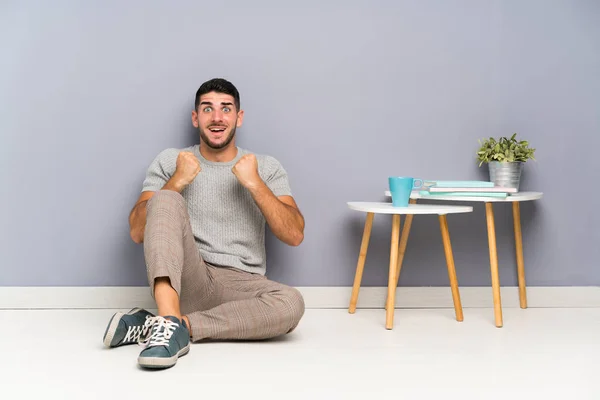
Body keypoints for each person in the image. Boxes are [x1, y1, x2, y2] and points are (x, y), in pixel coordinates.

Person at [102, 78, 306, 369]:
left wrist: (255, 183)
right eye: (208, 109)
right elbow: (137, 230)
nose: (218, 117)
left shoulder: (266, 166)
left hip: (242, 286)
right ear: (196, 118)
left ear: (239, 116)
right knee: (164, 199)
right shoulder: (171, 160)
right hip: (189, 277)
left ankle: (169, 325)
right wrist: (177, 180)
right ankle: (171, 317)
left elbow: (295, 234)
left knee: (291, 304)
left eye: (226, 108)